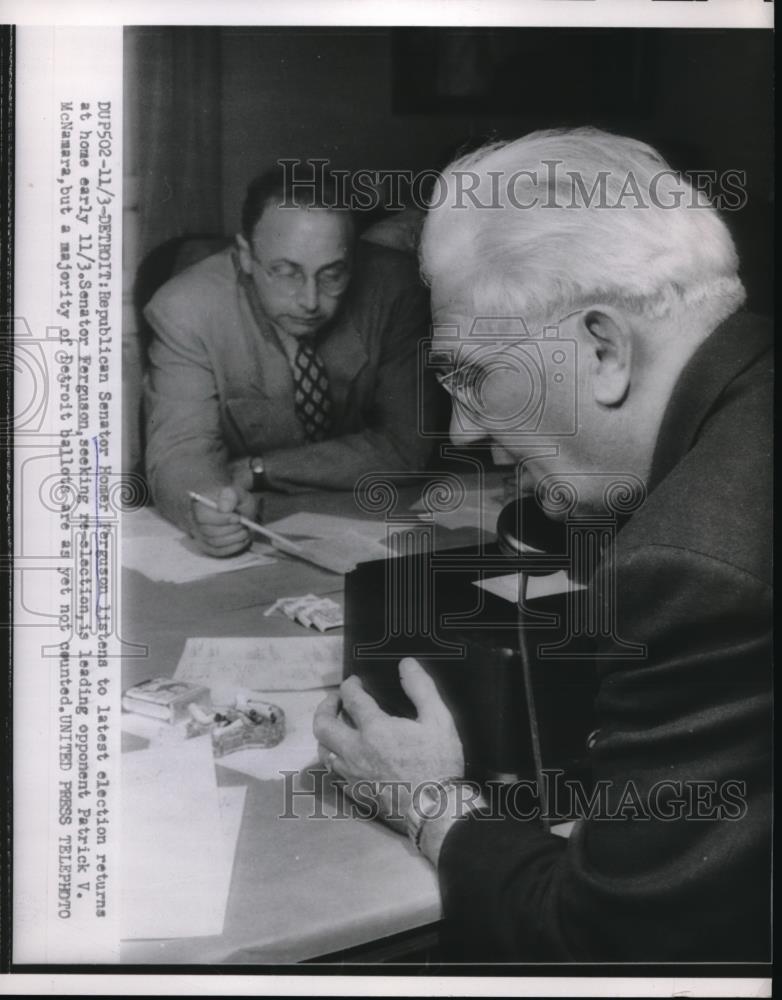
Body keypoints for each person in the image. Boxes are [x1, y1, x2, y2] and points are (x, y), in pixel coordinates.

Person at [313, 128, 772, 961]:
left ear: (603, 348)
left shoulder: (690, 567)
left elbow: (609, 943)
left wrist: (429, 801)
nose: (462, 429)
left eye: (475, 376)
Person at [143, 167, 435, 556]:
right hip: (258, 526)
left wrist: (260, 468)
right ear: (246, 256)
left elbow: (408, 445)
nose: (311, 301)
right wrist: (210, 504)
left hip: (370, 518)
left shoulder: (397, 287)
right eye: (285, 272)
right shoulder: (184, 309)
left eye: (333, 274)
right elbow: (180, 450)